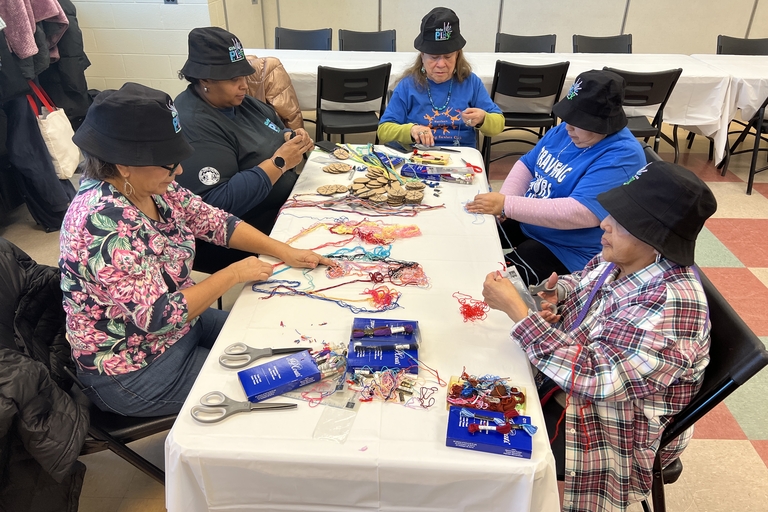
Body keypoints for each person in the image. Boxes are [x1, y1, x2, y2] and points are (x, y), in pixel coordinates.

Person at [59, 83, 333, 417]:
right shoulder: (100, 223)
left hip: (182, 329)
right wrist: (233, 273)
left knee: (285, 342)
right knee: (277, 383)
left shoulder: (150, 185)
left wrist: (283, 250)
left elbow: (216, 222)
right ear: (123, 163)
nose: (179, 171)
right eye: (168, 163)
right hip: (135, 368)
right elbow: (158, 316)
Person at [481, 161, 717, 511]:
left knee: (479, 443)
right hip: (583, 386)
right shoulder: (624, 258)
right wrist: (558, 292)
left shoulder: (671, 305)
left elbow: (597, 377)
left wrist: (520, 313)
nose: (604, 224)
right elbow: (586, 280)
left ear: (655, 237)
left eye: (621, 222)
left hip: (618, 428)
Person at [466, 70, 646, 286]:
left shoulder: (622, 155)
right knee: (468, 233)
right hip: (532, 221)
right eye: (569, 118)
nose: (568, 128)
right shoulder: (568, 130)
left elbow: (580, 212)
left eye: (579, 122)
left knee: (487, 281)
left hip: (566, 249)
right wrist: (506, 199)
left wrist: (507, 205)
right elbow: (528, 164)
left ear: (604, 124)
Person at [174, 27, 314, 265]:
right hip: (242, 232)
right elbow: (216, 206)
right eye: (233, 79)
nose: (244, 85)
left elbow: (274, 130)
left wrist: (292, 138)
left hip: (285, 206)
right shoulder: (194, 122)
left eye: (244, 76)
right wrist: (279, 163)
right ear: (205, 79)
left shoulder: (239, 102)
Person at [377, 7, 503, 148]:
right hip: (419, 157)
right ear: (422, 56)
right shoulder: (408, 85)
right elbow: (383, 130)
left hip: (462, 157)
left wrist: (483, 119)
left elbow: (498, 124)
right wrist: (411, 130)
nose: (441, 64)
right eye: (434, 57)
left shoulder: (471, 83)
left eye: (448, 56)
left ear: (457, 55)